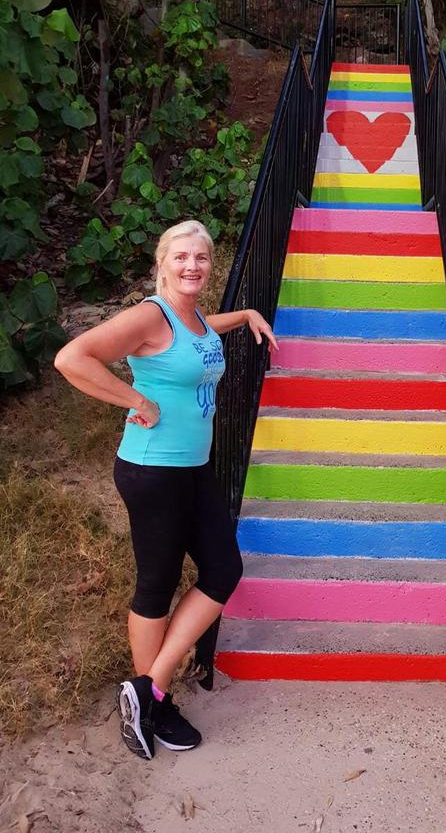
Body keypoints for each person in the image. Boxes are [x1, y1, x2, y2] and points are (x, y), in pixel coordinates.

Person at [54, 219, 277, 760]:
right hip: (153, 470)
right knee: (158, 583)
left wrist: (246, 314)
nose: (192, 266)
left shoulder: (193, 316)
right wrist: (136, 401)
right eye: (181, 257)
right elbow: (72, 358)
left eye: (200, 258)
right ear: (163, 262)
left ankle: (147, 690)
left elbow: (204, 333)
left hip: (194, 468)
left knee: (224, 569)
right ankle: (153, 697)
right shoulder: (150, 315)